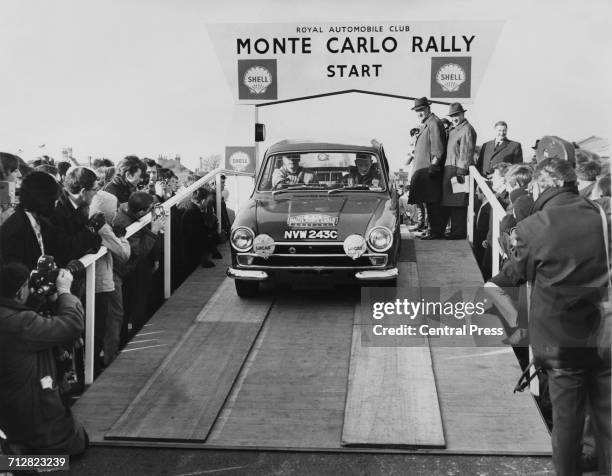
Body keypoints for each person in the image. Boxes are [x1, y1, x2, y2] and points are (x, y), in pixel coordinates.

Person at [493, 157, 610, 475]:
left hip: (561, 342)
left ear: (543, 185)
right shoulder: (601, 214)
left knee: (566, 425)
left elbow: (515, 273)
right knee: (607, 422)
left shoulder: (533, 227)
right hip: (603, 331)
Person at [0, 263, 88, 455]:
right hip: (34, 423)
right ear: (20, 291)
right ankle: (19, 463)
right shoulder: (21, 324)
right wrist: (64, 292)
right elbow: (72, 324)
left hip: (8, 413)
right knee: (74, 446)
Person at [407, 97, 447, 240]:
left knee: (432, 203)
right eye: (417, 111)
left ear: (428, 109)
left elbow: (438, 149)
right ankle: (431, 230)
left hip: (429, 171)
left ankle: (435, 232)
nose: (419, 113)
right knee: (428, 202)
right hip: (424, 172)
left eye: (422, 110)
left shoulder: (434, 123)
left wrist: (433, 166)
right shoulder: (427, 124)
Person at [51, 167, 102, 267]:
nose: (97, 193)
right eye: (95, 189)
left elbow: (95, 244)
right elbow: (65, 250)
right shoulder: (56, 211)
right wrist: (90, 229)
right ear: (83, 192)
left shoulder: (81, 206)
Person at [440, 103, 477, 240]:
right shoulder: (455, 129)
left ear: (463, 114)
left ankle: (458, 232)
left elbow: (466, 152)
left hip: (458, 169)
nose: (454, 118)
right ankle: (454, 229)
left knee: (459, 203)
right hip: (450, 169)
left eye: (456, 115)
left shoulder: (466, 129)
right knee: (452, 203)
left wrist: (461, 172)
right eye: (452, 116)